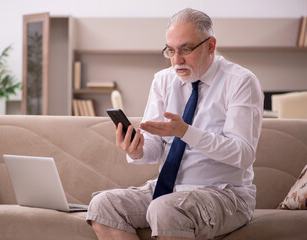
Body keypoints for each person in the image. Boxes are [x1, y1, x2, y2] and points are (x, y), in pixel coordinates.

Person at [86, 8, 264, 240]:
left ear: (210, 45)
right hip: (169, 190)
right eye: (170, 50)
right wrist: (138, 149)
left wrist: (186, 132)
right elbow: (154, 146)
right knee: (102, 205)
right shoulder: (163, 80)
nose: (176, 60)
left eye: (186, 50)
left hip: (226, 194)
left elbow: (243, 154)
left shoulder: (240, 82)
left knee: (164, 209)